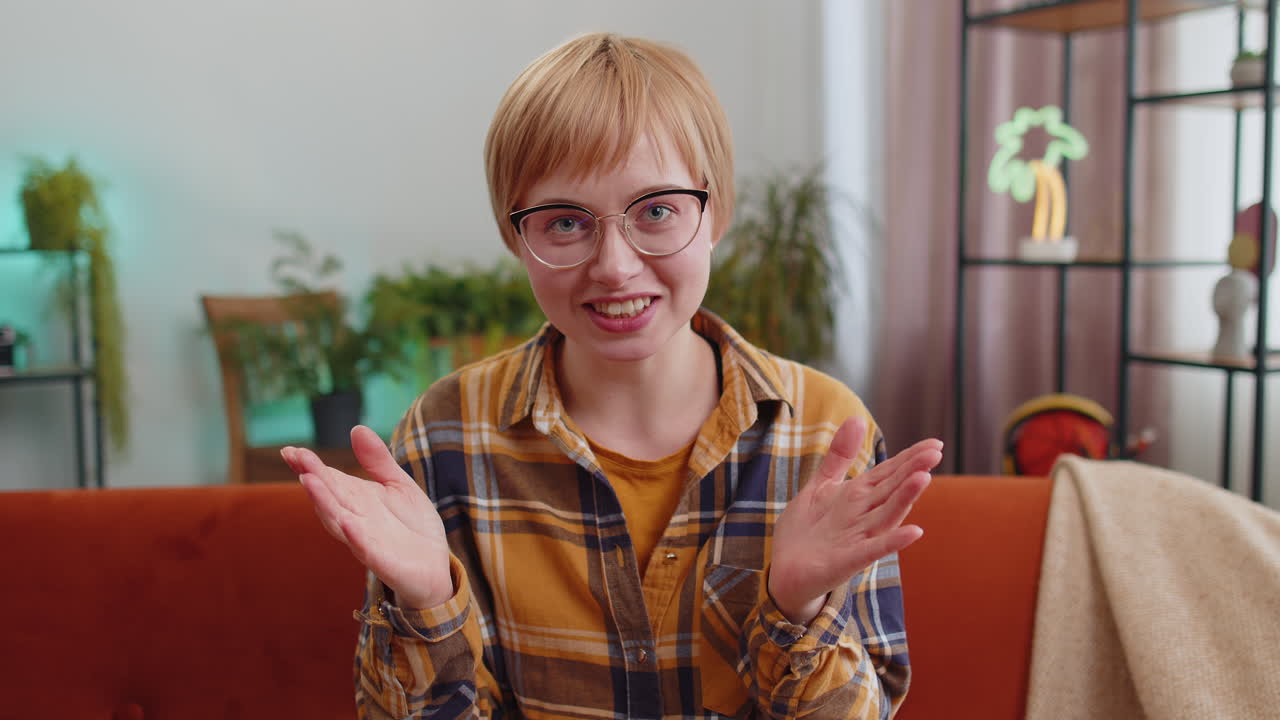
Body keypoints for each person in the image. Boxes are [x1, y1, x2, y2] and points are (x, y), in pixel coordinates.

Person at [281, 32, 942, 720]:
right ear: (517, 239)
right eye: (566, 222)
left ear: (715, 214)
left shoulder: (823, 433)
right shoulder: (446, 431)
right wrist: (427, 607)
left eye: (657, 211)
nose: (615, 266)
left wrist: (797, 608)